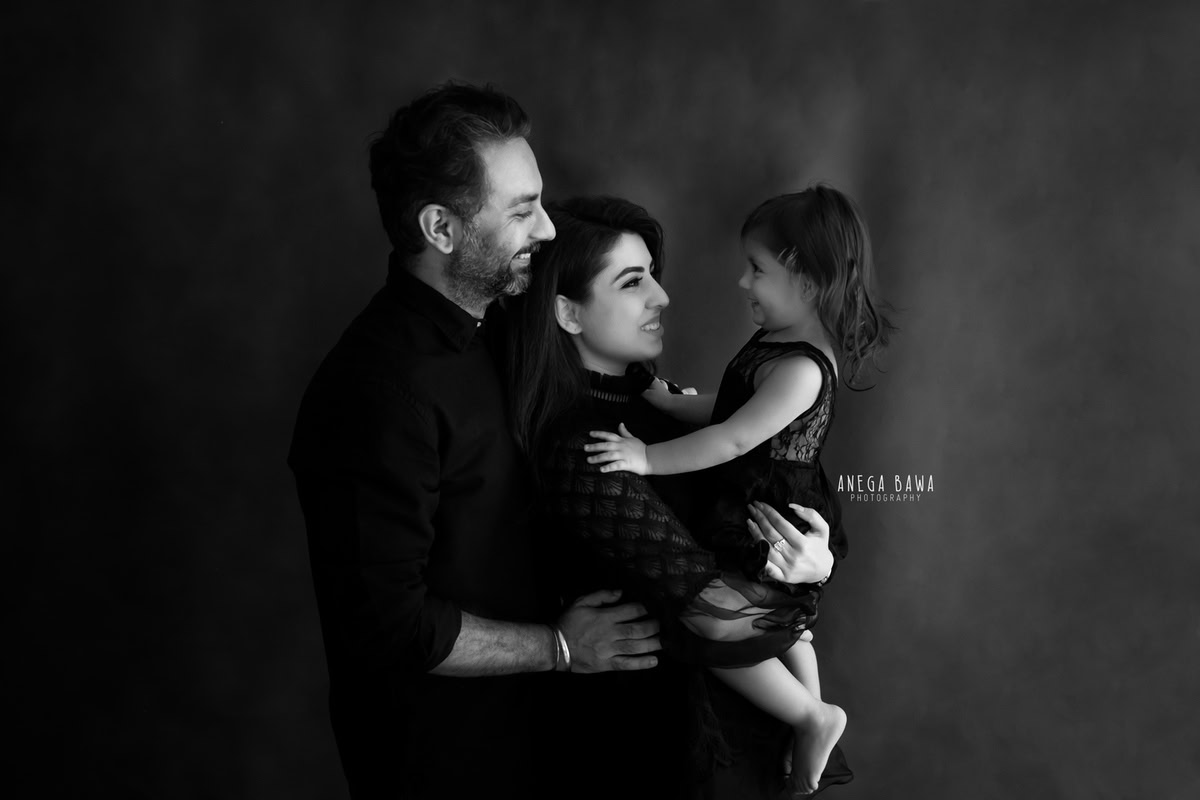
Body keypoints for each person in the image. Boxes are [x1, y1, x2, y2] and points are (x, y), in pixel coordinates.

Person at [287, 83, 666, 800]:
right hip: (445, 765)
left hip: (539, 746)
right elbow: (393, 627)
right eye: (521, 211)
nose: (546, 229)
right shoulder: (374, 393)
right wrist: (561, 646)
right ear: (441, 228)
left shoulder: (499, 327)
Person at [503, 195, 854, 799]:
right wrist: (796, 601)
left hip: (748, 740)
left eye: (653, 276)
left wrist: (814, 563)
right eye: (632, 281)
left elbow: (769, 487)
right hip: (673, 751)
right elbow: (708, 602)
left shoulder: (660, 413)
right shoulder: (588, 447)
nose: (662, 297)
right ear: (567, 313)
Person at [580, 186, 893, 794]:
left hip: (771, 509)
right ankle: (809, 720)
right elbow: (729, 409)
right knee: (782, 626)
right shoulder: (776, 340)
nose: (743, 282)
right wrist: (673, 403)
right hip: (753, 499)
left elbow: (733, 438)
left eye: (758, 269)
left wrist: (646, 458)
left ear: (807, 279)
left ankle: (812, 716)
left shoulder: (802, 368)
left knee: (713, 625)